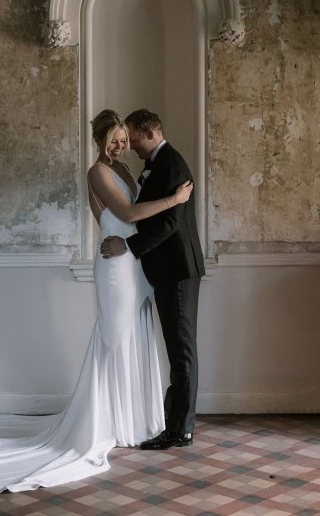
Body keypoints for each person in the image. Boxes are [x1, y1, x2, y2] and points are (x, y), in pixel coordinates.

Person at [0, 110, 192, 493]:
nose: (121, 147)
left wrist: (134, 234)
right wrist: (175, 199)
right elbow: (125, 213)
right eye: (115, 142)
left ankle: (135, 420)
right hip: (116, 262)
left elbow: (127, 220)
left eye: (125, 140)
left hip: (133, 261)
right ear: (100, 142)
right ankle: (105, 421)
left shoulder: (126, 171)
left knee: (136, 333)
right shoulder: (98, 172)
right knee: (115, 335)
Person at [101, 109, 205, 450]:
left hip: (176, 270)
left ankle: (180, 430)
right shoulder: (159, 164)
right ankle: (175, 423)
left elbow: (169, 223)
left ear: (148, 132)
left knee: (181, 350)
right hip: (166, 269)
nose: (131, 146)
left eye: (132, 139)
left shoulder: (171, 163)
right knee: (178, 350)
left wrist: (129, 245)